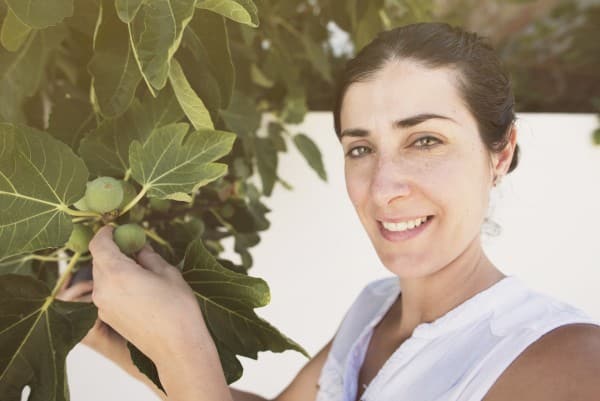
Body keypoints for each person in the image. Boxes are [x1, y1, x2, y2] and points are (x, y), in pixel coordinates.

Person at [59, 22, 600, 401]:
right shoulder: (374, 312)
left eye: (426, 140)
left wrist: (182, 343)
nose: (384, 188)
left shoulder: (572, 362)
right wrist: (128, 347)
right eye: (360, 149)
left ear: (500, 152)